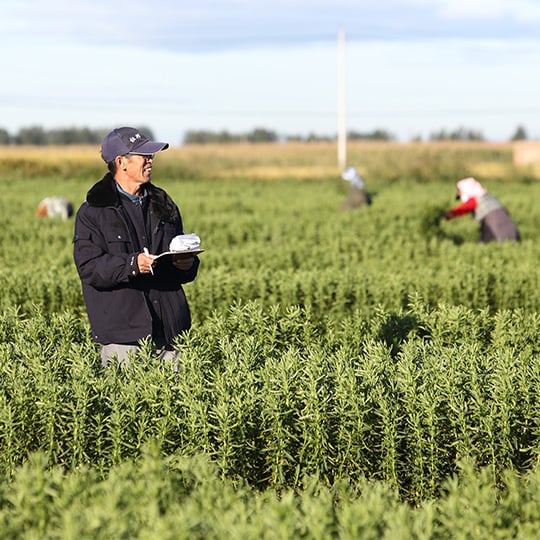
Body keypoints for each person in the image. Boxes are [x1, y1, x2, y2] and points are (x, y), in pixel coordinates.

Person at [73, 127, 200, 368]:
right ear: (121, 162)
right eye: (144, 156)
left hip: (170, 333)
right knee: (127, 405)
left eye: (151, 156)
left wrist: (186, 265)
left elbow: (179, 259)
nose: (150, 161)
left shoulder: (163, 204)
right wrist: (133, 264)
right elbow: (90, 268)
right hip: (123, 338)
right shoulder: (93, 211)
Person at [442, 177, 520, 243]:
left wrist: (450, 213)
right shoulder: (489, 197)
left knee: (485, 246)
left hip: (493, 226)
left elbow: (464, 208)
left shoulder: (474, 199)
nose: (461, 197)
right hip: (511, 227)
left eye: (460, 193)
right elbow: (506, 211)